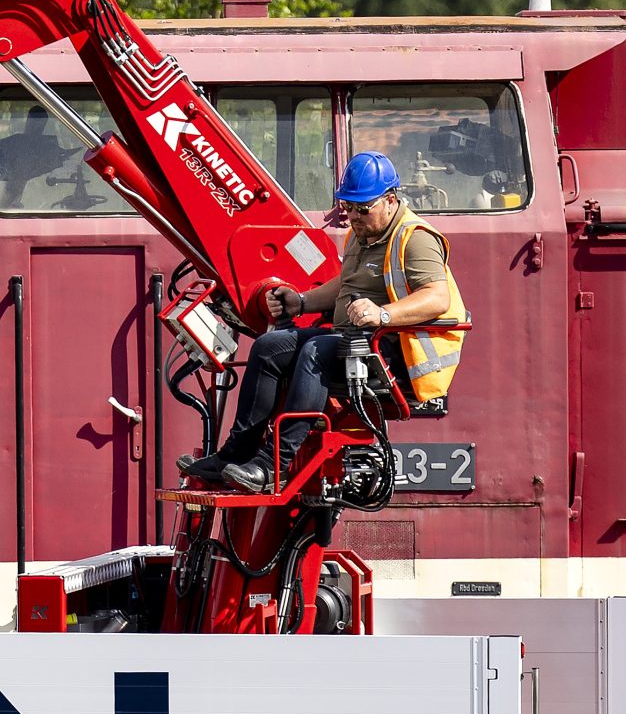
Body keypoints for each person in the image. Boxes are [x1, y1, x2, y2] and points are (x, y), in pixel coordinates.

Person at [180, 150, 467, 492]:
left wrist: (383, 314)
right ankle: (235, 453)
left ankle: (275, 464)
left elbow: (437, 297)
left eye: (363, 209)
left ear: (390, 201)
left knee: (317, 349)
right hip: (356, 341)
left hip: (395, 353)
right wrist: (299, 302)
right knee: (269, 346)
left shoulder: (415, 238)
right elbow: (345, 285)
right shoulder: (361, 235)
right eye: (348, 207)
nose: (354, 217)